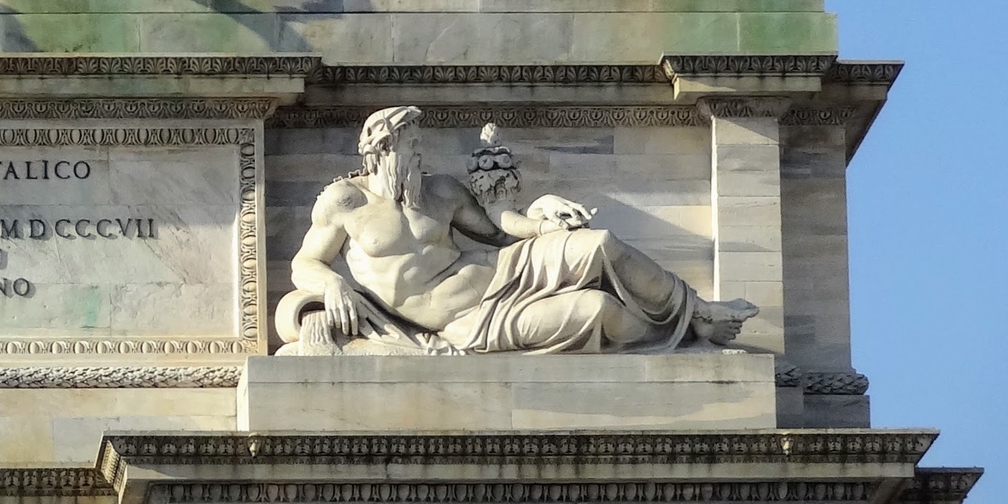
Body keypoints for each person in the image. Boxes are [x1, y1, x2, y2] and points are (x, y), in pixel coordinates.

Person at [288, 107, 755, 353]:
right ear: (380, 150)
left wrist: (543, 219)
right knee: (596, 309)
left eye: (420, 145)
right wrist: (330, 284)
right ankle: (683, 342)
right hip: (467, 322)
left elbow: (500, 232)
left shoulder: (442, 191)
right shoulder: (345, 201)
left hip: (504, 269)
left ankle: (696, 311)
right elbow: (305, 262)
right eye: (411, 147)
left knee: (598, 244)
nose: (419, 156)